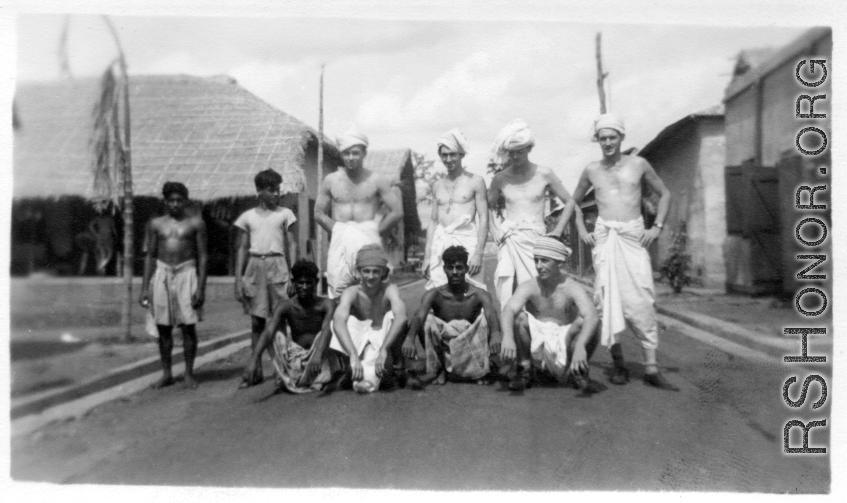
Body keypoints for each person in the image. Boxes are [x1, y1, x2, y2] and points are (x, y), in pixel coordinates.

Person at [562, 113, 677, 391]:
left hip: (632, 237)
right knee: (606, 300)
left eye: (612, 137)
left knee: (642, 299)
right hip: (605, 239)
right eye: (603, 138)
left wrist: (656, 228)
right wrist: (574, 228)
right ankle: (618, 363)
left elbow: (665, 194)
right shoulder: (592, 170)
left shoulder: (639, 164)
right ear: (597, 140)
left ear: (622, 138)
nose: (608, 142)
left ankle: (651, 367)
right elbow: (572, 201)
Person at [487, 119, 581, 306]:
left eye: (519, 152)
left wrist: (558, 230)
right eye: (511, 153)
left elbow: (570, 202)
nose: (515, 157)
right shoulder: (500, 178)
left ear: (529, 148)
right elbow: (486, 206)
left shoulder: (544, 173)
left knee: (537, 293)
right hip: (511, 240)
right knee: (509, 293)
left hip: (536, 240)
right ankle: (511, 333)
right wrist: (495, 231)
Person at [499, 237, 600, 392]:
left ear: (559, 262)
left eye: (545, 261)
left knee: (589, 322)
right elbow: (508, 310)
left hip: (563, 343)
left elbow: (592, 315)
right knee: (519, 317)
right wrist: (507, 336)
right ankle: (525, 370)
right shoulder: (530, 285)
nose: (539, 266)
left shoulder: (571, 287)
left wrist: (580, 346)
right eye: (536, 260)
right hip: (536, 346)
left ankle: (578, 373)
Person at [315, 130, 404, 299]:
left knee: (370, 291)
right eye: (346, 153)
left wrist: (375, 231)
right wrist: (337, 230)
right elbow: (318, 213)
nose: (351, 157)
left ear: (364, 153)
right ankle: (339, 324)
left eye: (355, 153)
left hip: (368, 240)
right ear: (341, 154)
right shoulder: (331, 180)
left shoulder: (376, 179)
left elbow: (397, 211)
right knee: (338, 289)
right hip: (340, 240)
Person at [140, 182, 208, 389]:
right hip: (162, 274)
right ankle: (167, 373)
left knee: (188, 327)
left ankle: (188, 373)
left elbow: (203, 256)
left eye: (179, 200)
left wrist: (201, 288)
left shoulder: (195, 223)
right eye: (172, 200)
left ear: (186, 201)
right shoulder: (156, 224)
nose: (176, 204)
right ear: (165, 202)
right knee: (163, 328)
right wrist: (144, 288)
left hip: (187, 273)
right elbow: (150, 256)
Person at [404, 245, 501, 388]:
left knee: (486, 320)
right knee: (426, 320)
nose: (454, 272)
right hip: (445, 346)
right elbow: (419, 316)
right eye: (450, 268)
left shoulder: (479, 294)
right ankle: (438, 368)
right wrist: (409, 338)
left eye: (459, 267)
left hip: (470, 346)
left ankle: (477, 371)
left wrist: (495, 335)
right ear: (444, 269)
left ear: (466, 269)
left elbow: (491, 313)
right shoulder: (435, 294)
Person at [233, 169, 297, 385]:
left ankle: (281, 370)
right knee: (257, 321)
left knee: (279, 319)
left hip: (277, 265)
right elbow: (241, 248)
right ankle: (255, 370)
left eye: (278, 190)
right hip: (254, 266)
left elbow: (292, 244)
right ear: (259, 191)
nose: (276, 194)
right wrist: (238, 280)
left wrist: (292, 274)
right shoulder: (247, 217)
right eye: (271, 191)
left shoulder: (285, 214)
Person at [240, 260, 343, 393]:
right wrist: (254, 359)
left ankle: (309, 378)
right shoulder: (286, 306)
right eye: (300, 283)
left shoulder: (326, 304)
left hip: (320, 354)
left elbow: (327, 330)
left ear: (316, 282)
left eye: (308, 283)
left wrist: (317, 356)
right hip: (296, 356)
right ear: (294, 283)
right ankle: (299, 377)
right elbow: (268, 332)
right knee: (275, 334)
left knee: (329, 327)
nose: (304, 287)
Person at [329, 245, 408, 393]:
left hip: (384, 340)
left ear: (383, 272)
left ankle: (399, 370)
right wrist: (353, 355)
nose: (370, 276)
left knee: (393, 317)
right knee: (341, 321)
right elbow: (338, 321)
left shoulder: (390, 288)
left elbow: (401, 317)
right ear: (359, 272)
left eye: (376, 271)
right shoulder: (351, 292)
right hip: (361, 343)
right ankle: (348, 368)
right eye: (366, 271)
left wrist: (384, 350)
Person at [423, 129, 488, 290]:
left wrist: (478, 253)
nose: (448, 159)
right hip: (442, 240)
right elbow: (433, 221)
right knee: (439, 292)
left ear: (461, 154)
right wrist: (427, 257)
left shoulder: (476, 181)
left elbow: (483, 217)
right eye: (444, 155)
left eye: (452, 154)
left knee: (474, 290)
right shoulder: (437, 185)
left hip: (467, 239)